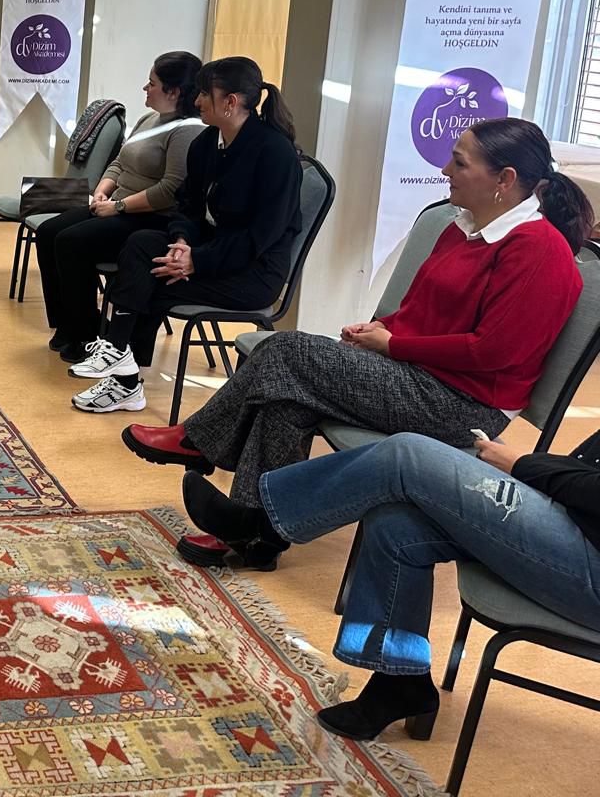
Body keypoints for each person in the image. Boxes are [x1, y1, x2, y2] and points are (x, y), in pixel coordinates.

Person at [125, 117, 589, 571]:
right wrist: (378, 331)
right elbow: (420, 310)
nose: (446, 169)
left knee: (286, 352)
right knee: (285, 397)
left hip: (466, 405)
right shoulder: (461, 227)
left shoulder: (539, 250)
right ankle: (254, 535)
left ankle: (200, 442)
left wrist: (393, 346)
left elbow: (492, 352)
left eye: (460, 163)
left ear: (504, 179)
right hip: (423, 376)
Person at [181, 430, 600, 741]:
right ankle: (399, 680)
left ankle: (260, 527)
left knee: (406, 455)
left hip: (590, 559)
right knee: (395, 525)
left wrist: (524, 466)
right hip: (574, 520)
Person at [70, 56, 302, 414]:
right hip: (208, 249)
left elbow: (261, 237)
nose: (197, 101)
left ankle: (123, 374)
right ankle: (120, 360)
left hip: (254, 272)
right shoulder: (207, 142)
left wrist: (198, 261)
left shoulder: (275, 154)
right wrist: (181, 242)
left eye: (205, 94)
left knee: (152, 281)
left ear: (230, 102)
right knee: (143, 244)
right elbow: (188, 205)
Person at [35, 51, 204, 370]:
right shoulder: (148, 120)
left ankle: (86, 333)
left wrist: (119, 206)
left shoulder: (188, 130)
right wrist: (102, 191)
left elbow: (169, 190)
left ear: (173, 91)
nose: (145, 88)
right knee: (47, 232)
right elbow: (119, 162)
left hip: (149, 217)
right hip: (117, 206)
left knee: (72, 242)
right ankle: (67, 324)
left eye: (152, 83)